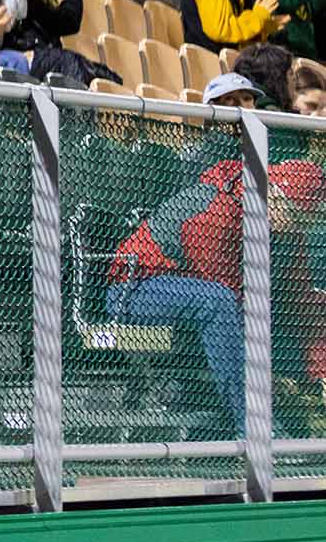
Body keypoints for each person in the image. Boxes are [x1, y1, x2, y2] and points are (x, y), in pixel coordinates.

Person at [106, 154, 326, 434]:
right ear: (274, 196)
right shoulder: (217, 212)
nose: (299, 229)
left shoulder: (288, 231)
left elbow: (301, 300)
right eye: (297, 218)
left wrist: (320, 368)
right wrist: (263, 372)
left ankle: (280, 422)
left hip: (200, 298)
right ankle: (254, 427)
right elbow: (230, 295)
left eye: (308, 223)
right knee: (217, 301)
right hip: (135, 290)